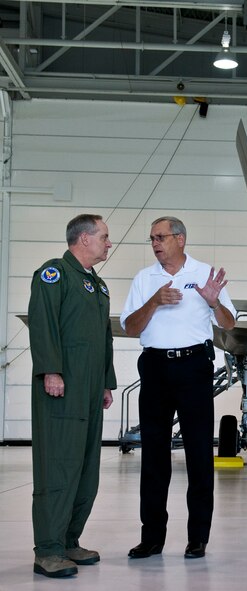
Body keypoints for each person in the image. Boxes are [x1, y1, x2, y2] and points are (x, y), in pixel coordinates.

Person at [120, 216, 236, 560]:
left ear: (180, 239)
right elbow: (129, 327)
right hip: (155, 369)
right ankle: (152, 538)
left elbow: (229, 324)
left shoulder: (204, 274)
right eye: (152, 239)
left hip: (194, 368)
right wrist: (154, 301)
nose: (155, 243)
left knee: (199, 453)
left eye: (161, 237)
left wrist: (214, 302)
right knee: (154, 456)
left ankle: (197, 537)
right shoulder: (145, 279)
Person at [27, 214, 116, 578]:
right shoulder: (54, 274)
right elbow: (42, 321)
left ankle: (68, 541)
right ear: (83, 239)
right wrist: (51, 369)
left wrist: (107, 382)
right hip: (61, 389)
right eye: (104, 237)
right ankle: (47, 549)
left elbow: (105, 338)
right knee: (58, 467)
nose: (109, 244)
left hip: (91, 391)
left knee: (85, 469)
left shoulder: (98, 286)